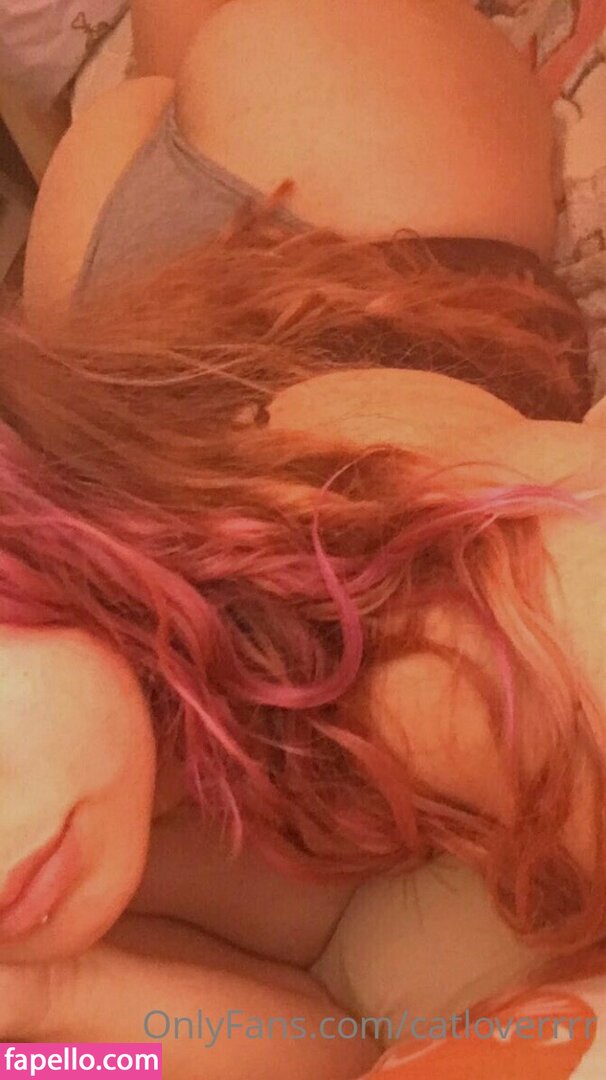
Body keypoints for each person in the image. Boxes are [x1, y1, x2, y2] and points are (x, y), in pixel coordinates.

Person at [1, 1, 606, 1077]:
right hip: (107, 366)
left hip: (337, 191)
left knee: (200, 38)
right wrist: (46, 1003)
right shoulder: (51, 872)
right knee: (126, 86)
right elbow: (321, 1050)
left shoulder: (422, 636)